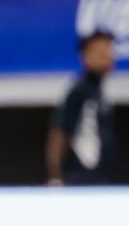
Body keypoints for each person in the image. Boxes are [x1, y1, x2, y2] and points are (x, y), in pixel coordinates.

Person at [46, 31, 116, 186]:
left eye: (109, 51)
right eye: (100, 51)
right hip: (81, 178)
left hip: (99, 178)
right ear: (85, 55)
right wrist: (55, 177)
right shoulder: (80, 90)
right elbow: (60, 132)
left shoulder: (98, 90)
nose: (108, 56)